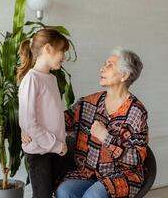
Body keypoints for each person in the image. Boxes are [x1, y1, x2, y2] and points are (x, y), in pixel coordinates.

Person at [56, 46, 149, 198]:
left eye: (109, 65)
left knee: (93, 195)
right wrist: (29, 126)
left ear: (124, 75)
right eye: (104, 64)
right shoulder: (88, 102)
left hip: (121, 176)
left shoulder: (136, 112)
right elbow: (61, 121)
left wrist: (105, 137)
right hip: (88, 173)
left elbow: (136, 158)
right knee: (64, 191)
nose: (101, 69)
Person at [17, 29, 69, 198]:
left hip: (54, 149)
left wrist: (59, 144)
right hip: (40, 151)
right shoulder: (32, 79)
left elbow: (50, 114)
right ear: (48, 48)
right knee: (42, 195)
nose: (64, 56)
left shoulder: (52, 79)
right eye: (62, 51)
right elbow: (29, 121)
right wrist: (56, 145)